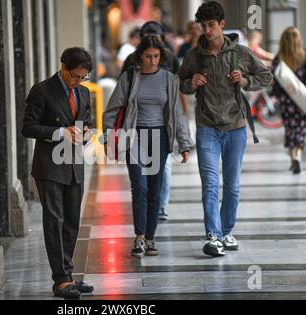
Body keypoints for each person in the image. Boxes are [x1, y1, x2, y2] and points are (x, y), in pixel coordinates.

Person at [178, 1, 273, 257]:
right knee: (210, 184)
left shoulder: (240, 53)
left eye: (211, 25)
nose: (207, 31)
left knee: (231, 186)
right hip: (207, 127)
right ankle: (213, 236)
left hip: (236, 128)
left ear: (222, 24)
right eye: (203, 26)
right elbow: (181, 83)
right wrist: (191, 83)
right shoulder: (194, 56)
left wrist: (245, 80)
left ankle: (226, 231)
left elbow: (267, 77)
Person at [103, 35, 192, 257]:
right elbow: (112, 109)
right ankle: (140, 237)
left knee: (155, 188)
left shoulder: (170, 79)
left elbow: (177, 114)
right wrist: (106, 138)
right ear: (140, 56)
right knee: (139, 186)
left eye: (156, 56)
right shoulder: (130, 78)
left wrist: (184, 143)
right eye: (148, 56)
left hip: (159, 137)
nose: (152, 60)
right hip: (135, 136)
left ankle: (150, 238)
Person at [22, 47, 94, 299]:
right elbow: (28, 128)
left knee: (73, 221)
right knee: (55, 221)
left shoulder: (84, 93)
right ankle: (60, 280)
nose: (78, 81)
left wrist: (86, 134)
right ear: (63, 67)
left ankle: (69, 274)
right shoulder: (41, 90)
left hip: (74, 164)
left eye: (82, 77)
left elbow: (88, 124)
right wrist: (59, 133)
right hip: (49, 166)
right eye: (75, 76)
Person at [121, 21, 191, 221]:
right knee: (139, 180)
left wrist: (183, 129)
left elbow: (178, 93)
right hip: (136, 130)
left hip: (162, 128)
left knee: (164, 167)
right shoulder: (130, 62)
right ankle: (145, 219)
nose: (152, 60)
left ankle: (160, 205)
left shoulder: (169, 59)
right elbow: (122, 96)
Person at [271, 27, 306, 174]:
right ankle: (297, 156)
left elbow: (274, 81)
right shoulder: (303, 58)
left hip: (286, 102)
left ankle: (293, 158)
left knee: (290, 130)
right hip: (301, 100)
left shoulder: (279, 60)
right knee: (300, 130)